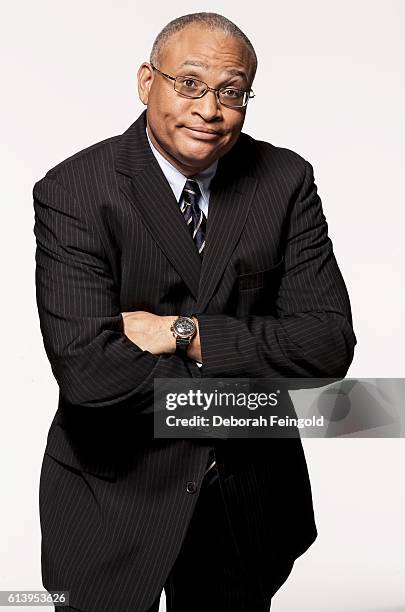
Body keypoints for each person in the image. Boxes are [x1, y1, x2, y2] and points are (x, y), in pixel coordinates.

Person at [33, 11, 357, 612]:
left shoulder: (284, 181)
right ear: (145, 82)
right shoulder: (75, 190)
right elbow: (89, 376)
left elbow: (328, 346)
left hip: (245, 501)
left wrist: (186, 334)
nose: (209, 108)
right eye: (189, 83)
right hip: (111, 499)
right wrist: (254, 395)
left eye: (231, 92)